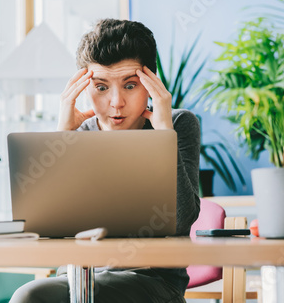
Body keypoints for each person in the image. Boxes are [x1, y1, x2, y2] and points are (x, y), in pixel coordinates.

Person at [10, 19, 201, 303]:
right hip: (77, 274)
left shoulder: (177, 124)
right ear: (84, 88)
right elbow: (45, 226)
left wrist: (164, 137)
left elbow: (183, 218)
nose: (116, 103)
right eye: (101, 87)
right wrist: (62, 137)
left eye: (130, 85)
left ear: (151, 84)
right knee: (29, 295)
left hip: (150, 281)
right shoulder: (78, 134)